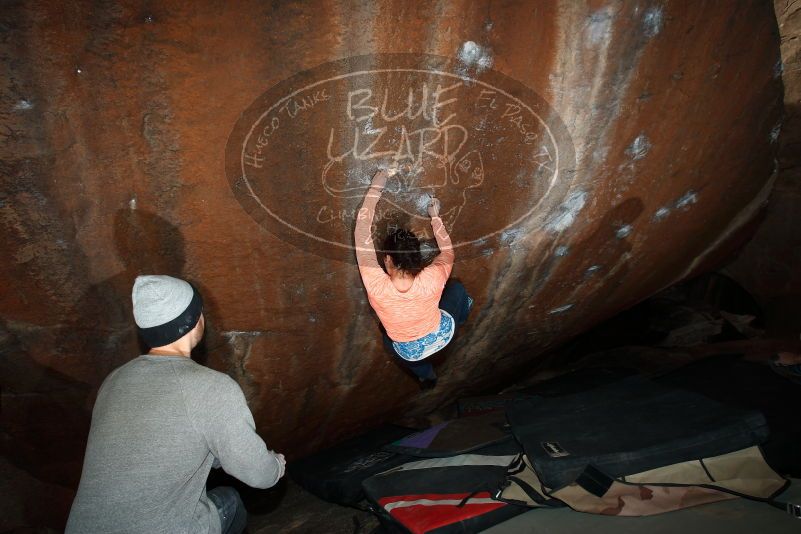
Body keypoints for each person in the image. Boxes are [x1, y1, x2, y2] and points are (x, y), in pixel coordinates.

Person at [66, 275, 285, 534]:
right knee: (231, 501)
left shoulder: (113, 381)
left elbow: (159, 442)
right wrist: (277, 465)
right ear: (195, 321)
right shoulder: (210, 387)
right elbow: (259, 475)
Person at [355, 168, 473, 388]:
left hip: (409, 351)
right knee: (456, 289)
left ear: (387, 259)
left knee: (390, 342)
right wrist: (435, 217)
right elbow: (448, 252)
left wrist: (376, 186)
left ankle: (426, 376)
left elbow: (361, 232)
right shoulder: (432, 278)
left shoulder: (375, 284)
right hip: (443, 335)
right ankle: (462, 315)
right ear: (417, 258)